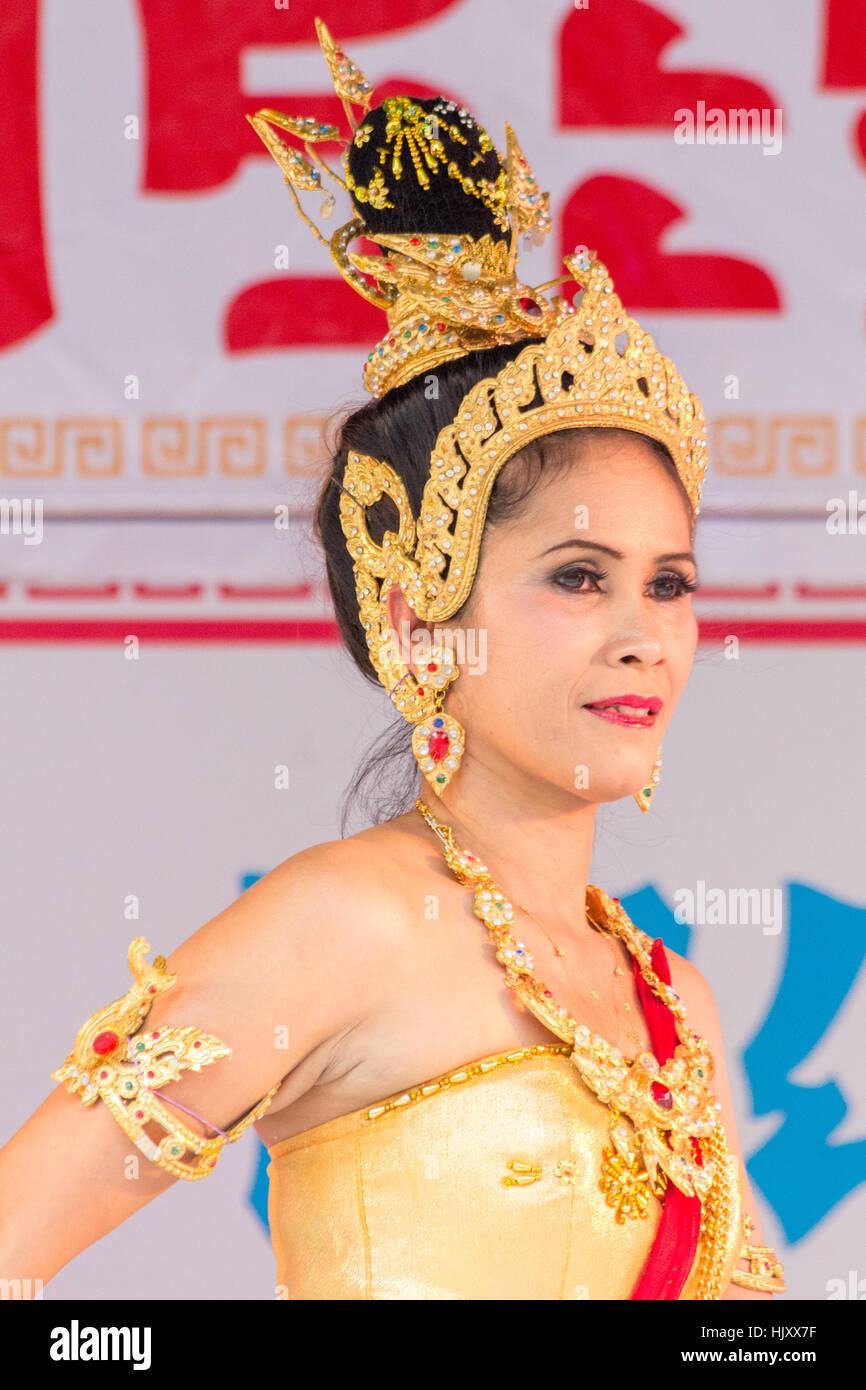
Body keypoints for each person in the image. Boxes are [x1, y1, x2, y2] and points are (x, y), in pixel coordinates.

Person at [0, 20, 785, 1301]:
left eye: (670, 584)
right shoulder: (339, 924)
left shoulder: (672, 1003)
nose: (641, 629)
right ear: (423, 620)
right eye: (577, 578)